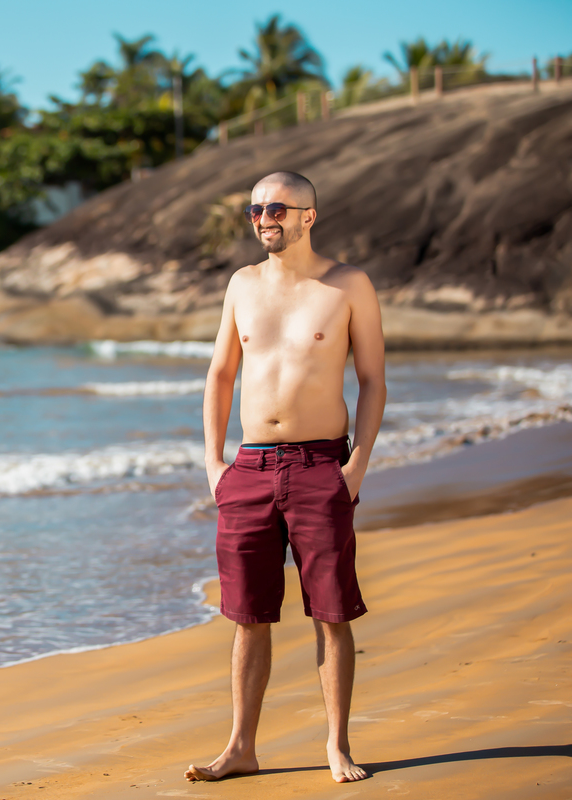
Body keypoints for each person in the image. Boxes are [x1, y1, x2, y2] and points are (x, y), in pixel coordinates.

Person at [185, 171, 386, 784]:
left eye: (275, 207)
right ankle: (241, 747)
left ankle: (337, 745)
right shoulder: (241, 285)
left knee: (331, 611)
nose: (262, 218)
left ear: (307, 216)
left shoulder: (348, 285)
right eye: (254, 209)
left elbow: (373, 380)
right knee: (248, 615)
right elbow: (221, 373)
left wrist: (355, 467)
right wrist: (215, 463)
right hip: (248, 468)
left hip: (321, 465)